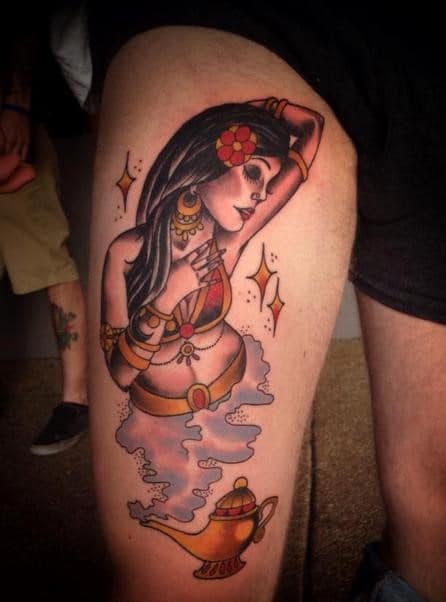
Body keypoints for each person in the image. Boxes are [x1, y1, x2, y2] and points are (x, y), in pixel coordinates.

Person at [56, 1, 445, 600]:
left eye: (266, 177)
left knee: (436, 499)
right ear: (205, 164)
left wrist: (257, 116)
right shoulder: (131, 252)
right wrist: (169, 296)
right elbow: (122, 371)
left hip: (424, 63)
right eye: (252, 173)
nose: (261, 193)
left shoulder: (229, 242)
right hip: (248, 19)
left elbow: (307, 138)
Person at [0, 19, 89, 456]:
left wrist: (16, 106)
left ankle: (76, 400)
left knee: (47, 255)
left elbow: (23, 24)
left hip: (10, 122)